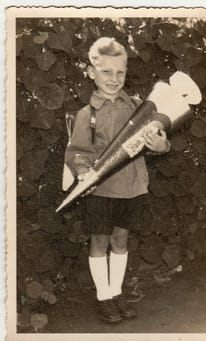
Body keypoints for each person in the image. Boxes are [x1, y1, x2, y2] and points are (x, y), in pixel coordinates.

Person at [65, 37, 171, 323]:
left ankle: (116, 291)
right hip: (102, 191)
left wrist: (160, 145)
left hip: (133, 189)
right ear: (91, 72)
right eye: (106, 72)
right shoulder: (87, 114)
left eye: (120, 72)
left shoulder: (139, 107)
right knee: (100, 241)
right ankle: (104, 297)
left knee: (121, 239)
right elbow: (76, 152)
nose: (114, 79)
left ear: (126, 71)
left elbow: (157, 142)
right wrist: (83, 170)